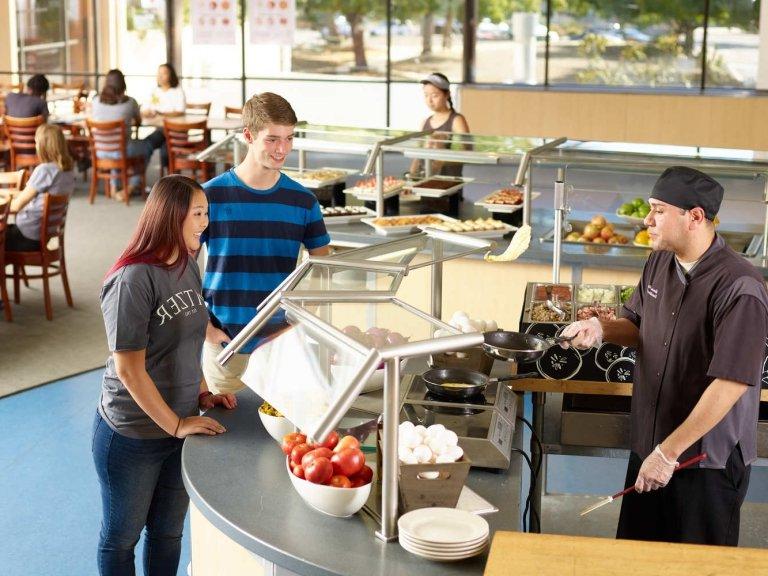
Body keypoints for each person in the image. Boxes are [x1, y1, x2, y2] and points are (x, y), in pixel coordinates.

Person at [561, 166, 768, 546]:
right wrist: (601, 330)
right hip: (651, 444)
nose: (647, 218)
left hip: (702, 461)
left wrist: (668, 453)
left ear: (695, 217)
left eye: (658, 210)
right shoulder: (659, 261)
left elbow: (731, 383)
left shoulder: (741, 287)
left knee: (696, 569)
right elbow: (636, 324)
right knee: (637, 560)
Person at [93, 175, 237, 575]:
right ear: (171, 215)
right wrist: (174, 424)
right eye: (197, 213)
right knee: (122, 537)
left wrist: (204, 392)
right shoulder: (133, 279)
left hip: (180, 425)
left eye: (207, 212)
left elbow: (190, 337)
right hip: (133, 433)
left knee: (168, 534)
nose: (205, 222)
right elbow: (128, 368)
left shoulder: (187, 265)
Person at [201, 92, 331, 395]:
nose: (282, 149)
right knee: (224, 434)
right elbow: (178, 268)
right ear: (248, 135)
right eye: (272, 139)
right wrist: (204, 328)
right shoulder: (209, 196)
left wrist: (296, 324)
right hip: (225, 341)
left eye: (289, 138)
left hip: (282, 345)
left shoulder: (304, 201)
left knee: (283, 435)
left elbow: (322, 271)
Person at [7, 124, 75, 251]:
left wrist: (4, 203)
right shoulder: (68, 171)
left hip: (27, 236)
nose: (36, 146)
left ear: (44, 146)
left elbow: (16, 206)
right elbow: (33, 196)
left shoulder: (45, 170)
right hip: (43, 235)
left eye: (37, 142)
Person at [90, 69, 153, 201]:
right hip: (121, 151)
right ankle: (130, 188)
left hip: (100, 152)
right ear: (123, 84)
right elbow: (139, 121)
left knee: (118, 146)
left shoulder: (95, 101)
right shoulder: (130, 102)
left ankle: (114, 188)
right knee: (146, 146)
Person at [408, 72, 470, 179]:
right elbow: (417, 156)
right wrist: (410, 179)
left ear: (447, 94)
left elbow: (468, 151)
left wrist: (441, 155)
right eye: (426, 95)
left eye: (435, 95)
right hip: (424, 180)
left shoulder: (457, 120)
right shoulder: (425, 122)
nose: (430, 100)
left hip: (449, 183)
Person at [142, 63, 187, 170]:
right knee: (146, 144)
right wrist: (147, 112)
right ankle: (139, 178)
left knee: (165, 151)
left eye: (164, 73)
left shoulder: (178, 91)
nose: (160, 76)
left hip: (176, 131)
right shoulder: (155, 91)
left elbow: (180, 111)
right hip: (161, 130)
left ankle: (169, 180)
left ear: (171, 75)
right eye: (159, 73)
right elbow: (146, 108)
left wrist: (160, 113)